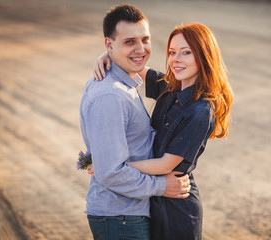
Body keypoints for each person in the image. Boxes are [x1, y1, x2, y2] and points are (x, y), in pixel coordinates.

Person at [92, 22, 233, 240]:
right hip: (155, 197)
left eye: (186, 52)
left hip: (177, 205)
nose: (176, 59)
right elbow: (135, 63)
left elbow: (165, 164)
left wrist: (110, 166)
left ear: (204, 56)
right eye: (172, 52)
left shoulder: (200, 110)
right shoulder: (171, 87)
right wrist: (107, 54)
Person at [79, 4, 191, 240]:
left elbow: (178, 82)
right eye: (129, 42)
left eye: (145, 39)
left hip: (126, 213)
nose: (141, 49)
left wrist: (109, 55)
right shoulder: (110, 96)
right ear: (109, 44)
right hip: (120, 217)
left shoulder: (123, 81)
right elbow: (111, 173)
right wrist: (162, 186)